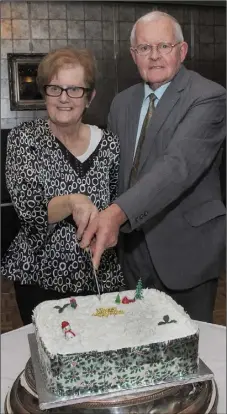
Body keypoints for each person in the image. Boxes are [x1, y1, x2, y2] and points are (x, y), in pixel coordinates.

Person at [80, 11, 226, 322]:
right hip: (131, 248)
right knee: (137, 338)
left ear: (182, 51)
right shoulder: (121, 103)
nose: (155, 56)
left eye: (164, 46)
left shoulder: (209, 97)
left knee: (187, 347)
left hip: (186, 250)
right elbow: (115, 171)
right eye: (145, 48)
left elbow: (177, 167)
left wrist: (116, 213)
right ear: (134, 55)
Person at [1, 47, 124, 325]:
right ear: (45, 93)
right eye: (55, 88)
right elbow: (30, 211)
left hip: (98, 277)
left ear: (90, 97)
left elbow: (118, 204)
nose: (64, 98)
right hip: (40, 278)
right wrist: (73, 201)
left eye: (74, 89)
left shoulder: (110, 144)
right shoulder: (24, 140)